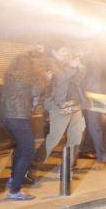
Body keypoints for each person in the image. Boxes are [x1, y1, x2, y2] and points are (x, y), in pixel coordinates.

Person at [0, 49, 48, 200]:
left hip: (4, 115)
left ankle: (14, 178)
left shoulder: (10, 75)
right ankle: (15, 191)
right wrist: (44, 78)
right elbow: (35, 91)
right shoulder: (29, 77)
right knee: (28, 150)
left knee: (21, 147)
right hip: (18, 116)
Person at [36, 43, 87, 173]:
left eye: (67, 51)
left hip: (74, 104)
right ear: (54, 50)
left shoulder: (66, 63)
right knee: (54, 138)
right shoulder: (49, 62)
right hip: (58, 105)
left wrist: (80, 69)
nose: (66, 53)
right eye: (63, 50)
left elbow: (77, 83)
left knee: (76, 138)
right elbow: (57, 81)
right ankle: (30, 167)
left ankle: (65, 170)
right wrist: (71, 68)